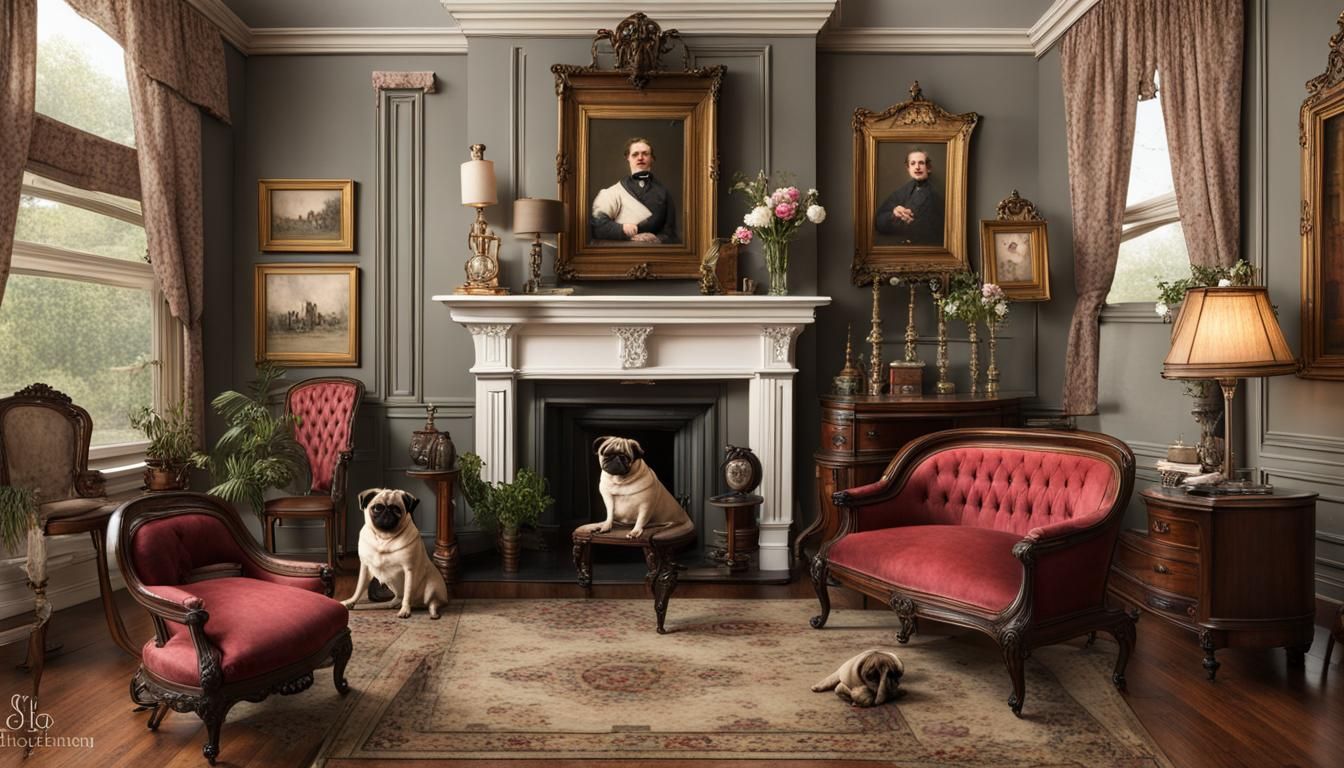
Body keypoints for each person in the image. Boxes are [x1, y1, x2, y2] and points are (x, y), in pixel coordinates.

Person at [590, 137, 678, 243]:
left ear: (652, 158)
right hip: (619, 252)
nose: (640, 158)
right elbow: (597, 226)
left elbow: (670, 233)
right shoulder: (613, 192)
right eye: (635, 154)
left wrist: (657, 239)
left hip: (653, 252)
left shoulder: (664, 193)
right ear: (628, 158)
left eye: (645, 154)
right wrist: (624, 229)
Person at [874, 149, 944, 246]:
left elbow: (932, 231)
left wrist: (905, 220)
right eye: (913, 163)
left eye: (921, 163)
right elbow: (878, 221)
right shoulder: (902, 191)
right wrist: (894, 214)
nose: (917, 167)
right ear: (908, 168)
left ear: (928, 168)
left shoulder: (936, 195)